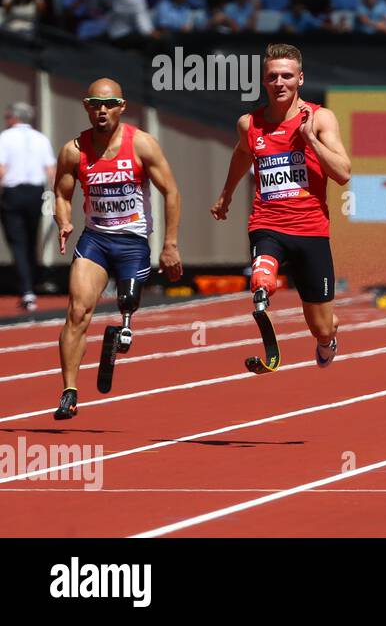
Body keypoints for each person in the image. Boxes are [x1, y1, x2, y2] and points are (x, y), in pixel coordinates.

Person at [211, 43, 351, 371]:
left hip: (311, 230)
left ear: (300, 79)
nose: (279, 82)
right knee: (262, 273)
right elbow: (242, 154)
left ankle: (328, 336)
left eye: (287, 76)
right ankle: (262, 288)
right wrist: (226, 194)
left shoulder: (320, 119)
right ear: (264, 81)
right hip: (268, 223)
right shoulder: (250, 124)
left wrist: (311, 141)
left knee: (320, 325)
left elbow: (343, 173)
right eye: (272, 76)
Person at [51, 79, 184, 419]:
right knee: (77, 312)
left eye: (109, 104)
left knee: (128, 304)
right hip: (95, 239)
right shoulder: (74, 150)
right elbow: (62, 194)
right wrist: (64, 221)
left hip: (132, 242)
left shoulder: (141, 145)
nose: (102, 110)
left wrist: (169, 245)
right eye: (95, 104)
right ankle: (69, 391)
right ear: (86, 106)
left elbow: (171, 191)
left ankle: (120, 332)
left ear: (121, 107)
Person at [0, 101, 55, 311]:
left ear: (14, 117)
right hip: (35, 193)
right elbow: (51, 169)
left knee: (18, 242)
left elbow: (2, 169)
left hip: (13, 194)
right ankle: (30, 284)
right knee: (31, 240)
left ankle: (27, 290)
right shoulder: (41, 138)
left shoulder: (5, 137)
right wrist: (58, 195)